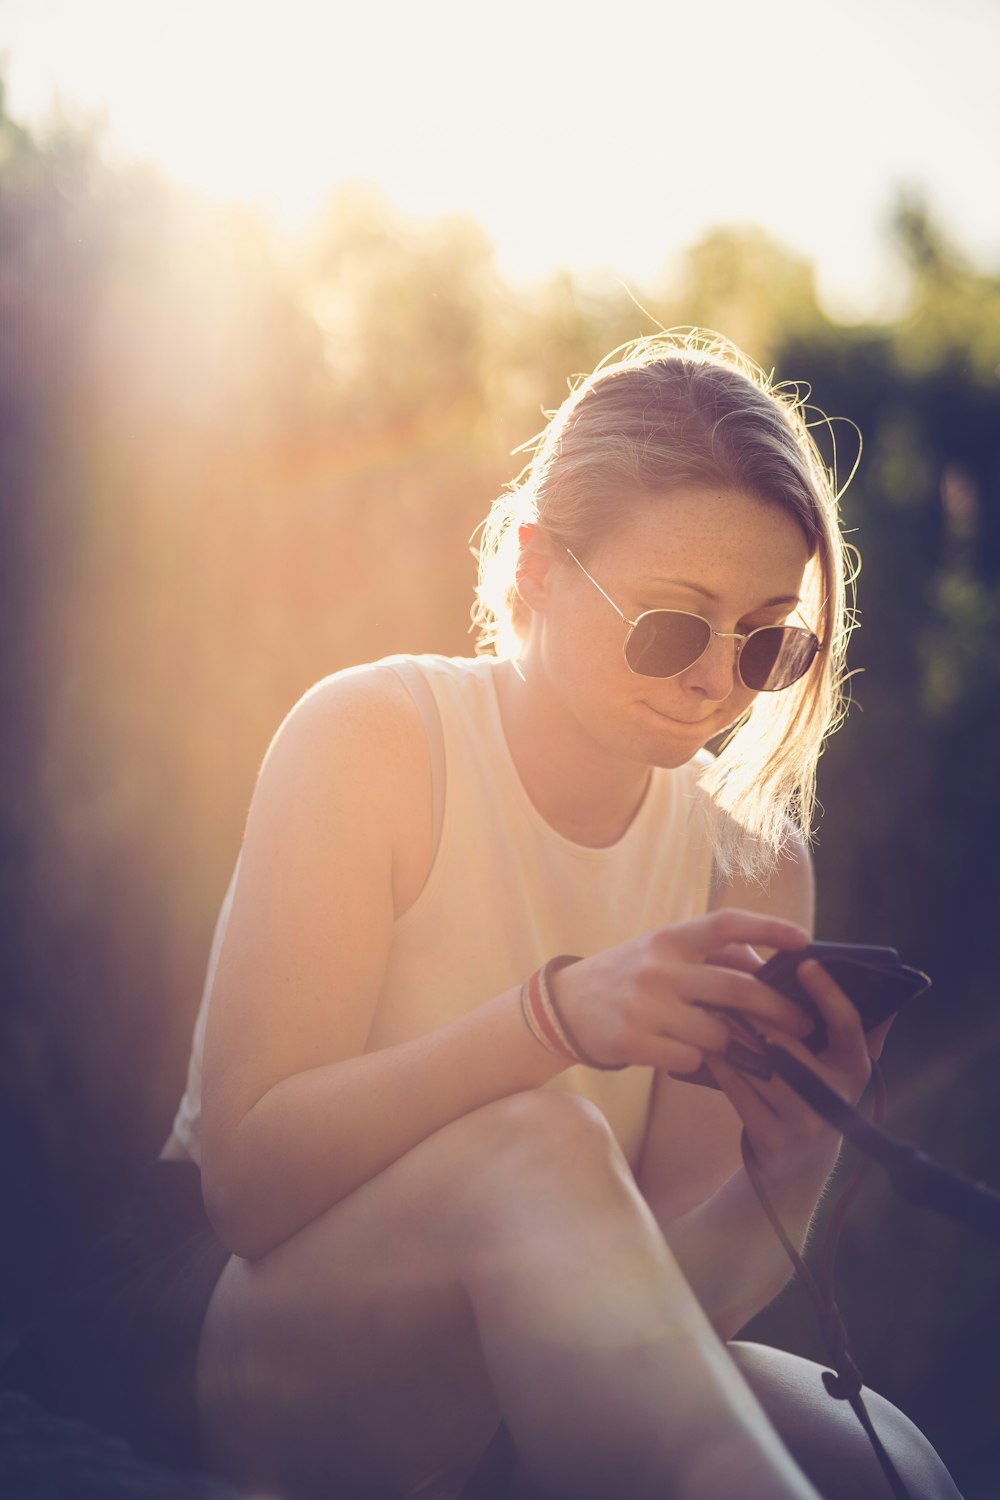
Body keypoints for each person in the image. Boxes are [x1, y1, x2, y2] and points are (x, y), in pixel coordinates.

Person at [6, 331, 961, 1500]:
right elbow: (247, 1189)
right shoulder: (375, 738)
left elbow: (648, 1313)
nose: (718, 682)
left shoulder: (750, 857)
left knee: (889, 1462)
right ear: (533, 572)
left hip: (519, 1379)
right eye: (673, 623)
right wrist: (552, 1018)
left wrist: (795, 1162)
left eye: (770, 641)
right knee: (538, 1149)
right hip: (261, 1338)